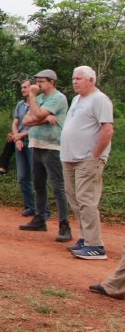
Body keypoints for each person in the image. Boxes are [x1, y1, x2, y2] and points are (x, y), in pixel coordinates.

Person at [62, 66, 114, 260]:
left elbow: (107, 130)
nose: (75, 81)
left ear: (91, 80)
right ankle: (85, 238)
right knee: (75, 199)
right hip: (70, 157)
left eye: (79, 78)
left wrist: (95, 156)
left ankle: (95, 245)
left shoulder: (100, 99)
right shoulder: (76, 99)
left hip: (87, 159)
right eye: (74, 78)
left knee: (87, 200)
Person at [19, 69, 71, 243]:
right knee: (39, 185)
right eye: (36, 81)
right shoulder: (40, 99)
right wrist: (42, 118)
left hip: (52, 147)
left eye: (40, 81)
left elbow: (36, 114)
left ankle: (64, 225)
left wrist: (35, 105)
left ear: (51, 82)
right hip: (36, 145)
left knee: (58, 187)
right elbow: (25, 120)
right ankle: (40, 219)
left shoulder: (58, 98)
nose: (37, 85)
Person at [10, 80, 37, 217]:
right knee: (22, 177)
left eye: (25, 87)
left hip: (33, 142)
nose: (23, 89)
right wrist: (17, 138)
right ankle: (30, 207)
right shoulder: (20, 105)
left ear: (32, 88)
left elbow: (37, 125)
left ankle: (43, 210)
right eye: (21, 87)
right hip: (20, 142)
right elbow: (15, 123)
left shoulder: (38, 104)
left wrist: (20, 135)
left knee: (36, 176)